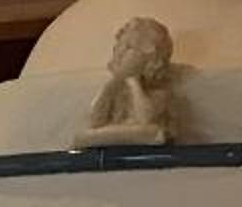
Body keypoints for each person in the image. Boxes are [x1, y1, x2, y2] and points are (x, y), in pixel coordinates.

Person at [75, 16, 178, 148]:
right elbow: (94, 120)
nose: (120, 54)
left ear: (151, 60)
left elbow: (145, 119)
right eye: (118, 47)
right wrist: (110, 85)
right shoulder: (115, 91)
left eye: (129, 48)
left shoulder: (159, 94)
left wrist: (133, 81)